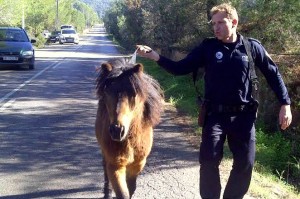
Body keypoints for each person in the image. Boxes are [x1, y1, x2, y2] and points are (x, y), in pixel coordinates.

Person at [137, 2, 292, 199]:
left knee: (245, 164)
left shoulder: (252, 47)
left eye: (220, 22)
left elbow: (273, 74)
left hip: (243, 116)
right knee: (208, 161)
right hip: (215, 115)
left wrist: (285, 104)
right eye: (213, 24)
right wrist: (155, 56)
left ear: (234, 22)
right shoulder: (208, 48)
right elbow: (180, 68)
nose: (216, 27)